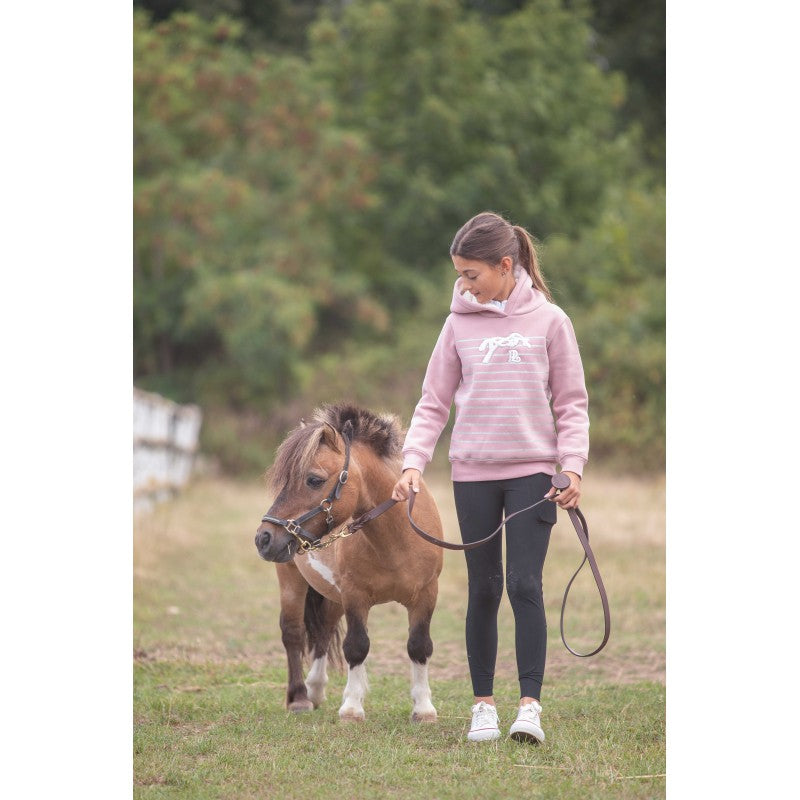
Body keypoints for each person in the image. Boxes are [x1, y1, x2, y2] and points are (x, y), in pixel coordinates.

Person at [391, 211, 589, 744]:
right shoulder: (456, 325)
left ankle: (530, 708)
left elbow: (571, 404)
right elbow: (432, 402)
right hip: (472, 473)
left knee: (525, 585)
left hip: (533, 475)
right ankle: (483, 706)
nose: (464, 284)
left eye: (472, 274)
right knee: (483, 587)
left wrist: (571, 465)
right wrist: (412, 463)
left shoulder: (551, 322)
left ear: (506, 266)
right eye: (459, 274)